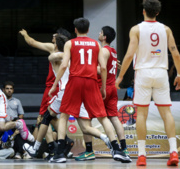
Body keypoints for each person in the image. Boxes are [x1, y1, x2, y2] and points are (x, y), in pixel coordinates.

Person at [49, 17, 129, 163]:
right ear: (88, 30)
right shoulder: (96, 45)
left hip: (75, 81)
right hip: (91, 82)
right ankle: (117, 150)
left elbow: (64, 65)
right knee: (103, 117)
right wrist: (103, 87)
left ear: (75, 29)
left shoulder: (69, 43)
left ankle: (59, 153)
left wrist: (55, 85)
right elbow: (103, 68)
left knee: (64, 115)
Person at [115, 0, 180, 167]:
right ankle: (174, 152)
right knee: (167, 113)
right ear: (158, 12)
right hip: (161, 72)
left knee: (141, 115)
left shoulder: (136, 29)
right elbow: (175, 53)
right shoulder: (166, 29)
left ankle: (142, 155)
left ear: (143, 11)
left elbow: (130, 55)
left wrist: (121, 76)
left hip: (143, 73)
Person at [23, 34, 111, 161]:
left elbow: (52, 56)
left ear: (57, 45)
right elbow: (98, 69)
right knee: (85, 127)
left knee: (47, 117)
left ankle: (39, 149)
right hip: (77, 93)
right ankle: (105, 138)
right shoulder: (75, 58)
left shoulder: (58, 56)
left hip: (65, 91)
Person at [19, 28, 73, 158]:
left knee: (43, 118)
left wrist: (25, 34)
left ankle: (50, 146)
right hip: (65, 89)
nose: (52, 36)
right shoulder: (71, 51)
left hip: (54, 88)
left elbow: (32, 43)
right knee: (52, 117)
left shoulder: (54, 50)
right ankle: (59, 144)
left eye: (55, 35)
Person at [95, 26, 131, 161]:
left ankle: (89, 150)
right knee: (114, 118)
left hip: (103, 88)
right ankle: (124, 149)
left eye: (100, 32)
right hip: (112, 88)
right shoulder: (113, 51)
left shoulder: (104, 51)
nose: (98, 33)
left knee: (91, 117)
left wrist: (86, 66)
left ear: (104, 37)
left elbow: (102, 69)